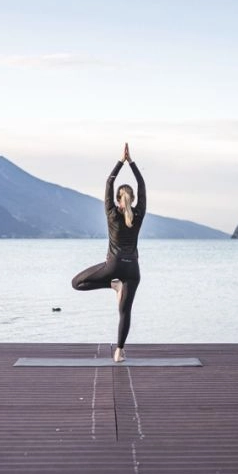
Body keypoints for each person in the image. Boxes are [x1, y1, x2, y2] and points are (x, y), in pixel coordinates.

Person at [71, 143, 145, 363]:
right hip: (132, 269)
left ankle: (112, 285)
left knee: (76, 283)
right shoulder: (139, 213)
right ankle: (119, 352)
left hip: (113, 266)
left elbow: (108, 182)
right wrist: (131, 162)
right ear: (132, 199)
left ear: (117, 200)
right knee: (124, 313)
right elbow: (141, 184)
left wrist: (120, 162)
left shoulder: (111, 213)